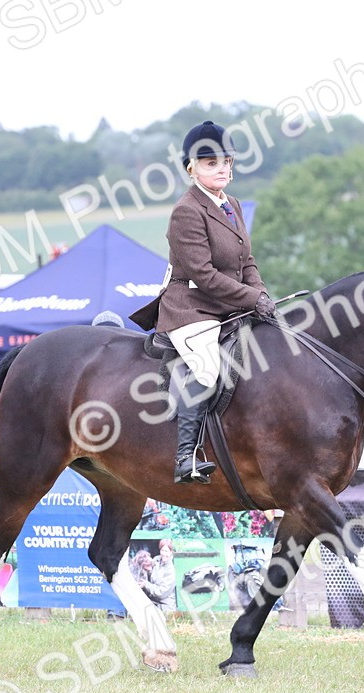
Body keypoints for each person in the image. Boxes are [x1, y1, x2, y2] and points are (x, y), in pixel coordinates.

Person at [129, 120, 277, 484]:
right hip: (192, 307)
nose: (223, 169)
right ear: (190, 168)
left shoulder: (233, 205)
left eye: (227, 161)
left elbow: (247, 261)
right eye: (212, 163)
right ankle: (187, 457)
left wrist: (261, 294)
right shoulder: (187, 211)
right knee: (208, 369)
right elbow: (206, 275)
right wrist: (251, 297)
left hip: (230, 304)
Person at [146, 539, 176, 612]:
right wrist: (148, 570)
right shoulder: (156, 560)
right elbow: (153, 575)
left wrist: (146, 585)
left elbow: (161, 593)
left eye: (166, 551)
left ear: (171, 552)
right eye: (162, 550)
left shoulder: (170, 570)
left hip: (165, 606)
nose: (164, 554)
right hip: (154, 602)